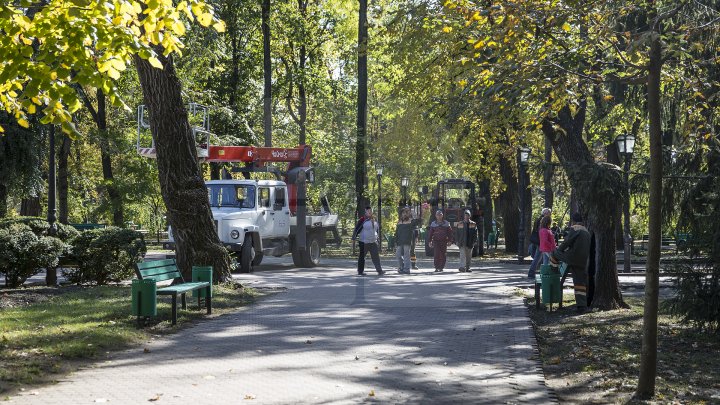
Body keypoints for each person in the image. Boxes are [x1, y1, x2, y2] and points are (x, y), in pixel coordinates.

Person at [550, 212, 591, 313]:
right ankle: (582, 306)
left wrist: (559, 249)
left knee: (554, 252)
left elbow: (566, 242)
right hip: (583, 260)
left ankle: (553, 271)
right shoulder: (586, 231)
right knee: (579, 282)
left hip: (573, 257)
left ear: (573, 221)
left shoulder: (575, 228)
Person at [352, 206, 385, 276]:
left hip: (373, 241)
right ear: (365, 212)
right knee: (362, 256)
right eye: (368, 211)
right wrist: (353, 237)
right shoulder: (362, 219)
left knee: (376, 256)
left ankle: (379, 270)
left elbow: (377, 230)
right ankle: (360, 271)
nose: (370, 212)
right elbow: (357, 229)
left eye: (371, 210)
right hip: (364, 242)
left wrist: (378, 238)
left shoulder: (374, 219)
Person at [527, 208, 552, 279]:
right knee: (538, 258)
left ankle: (540, 272)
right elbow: (541, 232)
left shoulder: (538, 219)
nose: (549, 215)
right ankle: (531, 273)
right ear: (545, 213)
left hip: (536, 241)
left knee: (539, 258)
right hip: (540, 242)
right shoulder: (543, 220)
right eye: (549, 213)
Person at [395, 208, 414, 274]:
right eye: (403, 213)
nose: (404, 214)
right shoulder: (399, 222)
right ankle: (401, 267)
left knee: (406, 255)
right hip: (399, 241)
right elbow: (396, 232)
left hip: (407, 241)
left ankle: (406, 269)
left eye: (405, 213)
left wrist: (412, 213)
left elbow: (418, 221)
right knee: (398, 254)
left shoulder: (410, 221)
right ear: (401, 214)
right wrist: (396, 241)